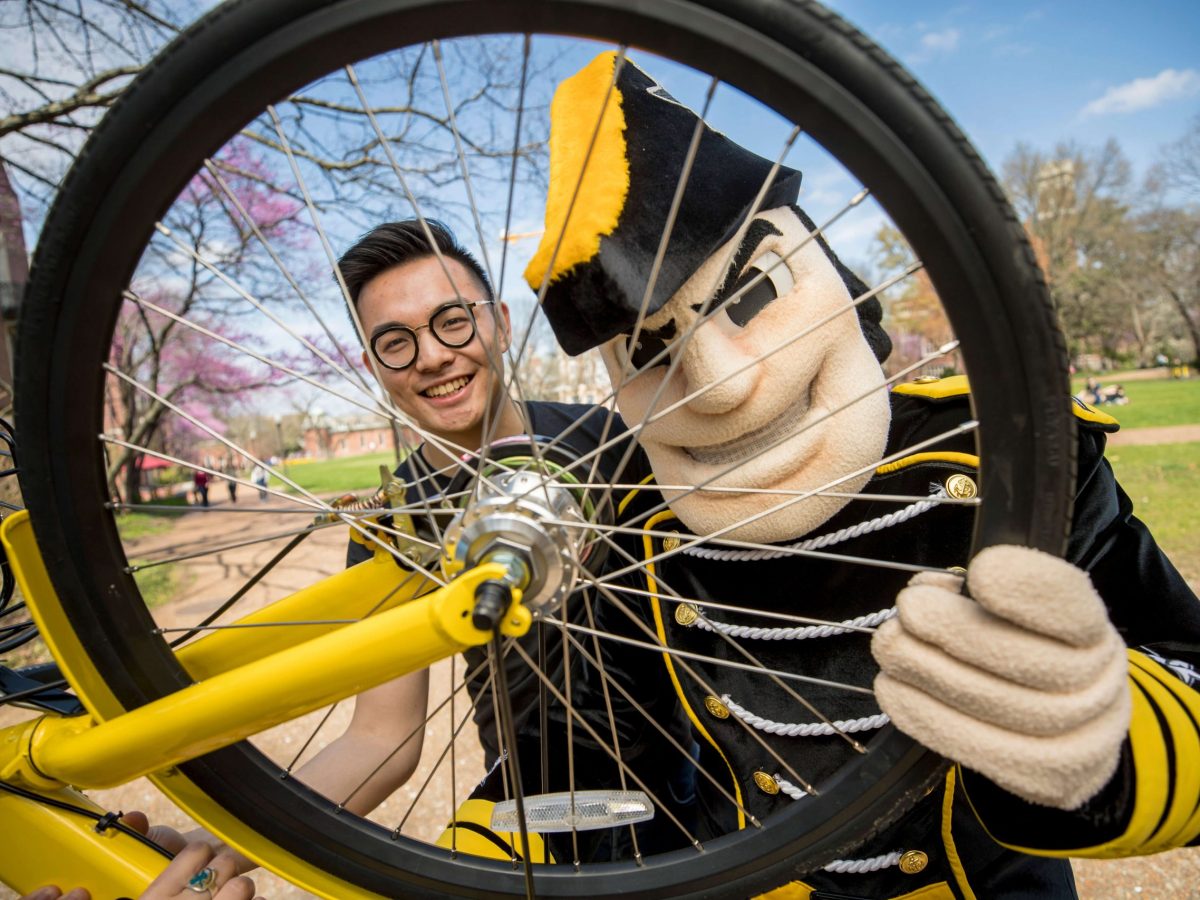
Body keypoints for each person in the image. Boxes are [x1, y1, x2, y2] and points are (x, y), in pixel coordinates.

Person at [522, 50, 1200, 897]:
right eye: (653, 351)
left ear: (830, 274)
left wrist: (1105, 735)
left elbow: (1186, 662)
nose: (723, 383)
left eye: (751, 295)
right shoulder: (641, 528)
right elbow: (620, 763)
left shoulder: (1001, 458)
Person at [154, 218, 690, 872]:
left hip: (700, 761)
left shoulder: (602, 434)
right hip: (538, 808)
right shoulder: (394, 522)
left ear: (497, 321)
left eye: (453, 322)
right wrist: (229, 848)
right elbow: (382, 736)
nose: (432, 356)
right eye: (395, 342)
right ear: (373, 365)